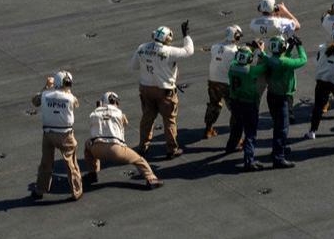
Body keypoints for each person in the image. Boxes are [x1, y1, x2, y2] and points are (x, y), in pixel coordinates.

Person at [128, 21, 194, 160]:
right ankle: (171, 149)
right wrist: (186, 35)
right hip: (165, 91)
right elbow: (189, 51)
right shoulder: (169, 51)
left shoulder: (142, 48)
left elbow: (133, 66)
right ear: (167, 38)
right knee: (169, 120)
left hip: (146, 89)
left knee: (147, 118)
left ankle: (142, 146)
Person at [83, 92, 161, 189]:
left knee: (87, 146)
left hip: (97, 148)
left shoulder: (94, 113)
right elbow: (125, 123)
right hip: (116, 149)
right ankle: (151, 179)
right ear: (115, 102)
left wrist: (99, 109)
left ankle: (92, 173)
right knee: (139, 160)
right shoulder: (119, 113)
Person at [30, 71, 81, 201]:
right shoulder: (70, 97)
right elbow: (76, 103)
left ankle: (40, 189)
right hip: (65, 135)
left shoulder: (46, 95)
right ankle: (76, 191)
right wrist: (66, 92)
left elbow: (34, 101)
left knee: (46, 163)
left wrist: (47, 87)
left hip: (48, 134)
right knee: (71, 164)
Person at [261, 34, 307, 168]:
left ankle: (277, 149)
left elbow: (281, 57)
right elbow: (303, 60)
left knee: (277, 124)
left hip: (272, 95)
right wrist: (299, 46)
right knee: (283, 128)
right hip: (281, 98)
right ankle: (278, 157)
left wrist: (290, 47)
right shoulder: (284, 62)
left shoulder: (269, 59)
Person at [226, 45, 268, 170]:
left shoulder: (232, 67)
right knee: (250, 132)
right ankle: (249, 160)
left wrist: (245, 50)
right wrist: (261, 51)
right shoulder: (251, 70)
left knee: (237, 125)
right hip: (249, 102)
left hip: (235, 101)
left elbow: (235, 59)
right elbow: (266, 66)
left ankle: (231, 146)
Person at [204, 25, 241, 139]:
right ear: (237, 36)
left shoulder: (215, 47)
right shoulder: (235, 51)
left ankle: (208, 129)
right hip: (227, 83)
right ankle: (236, 139)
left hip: (213, 81)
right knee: (236, 111)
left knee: (213, 105)